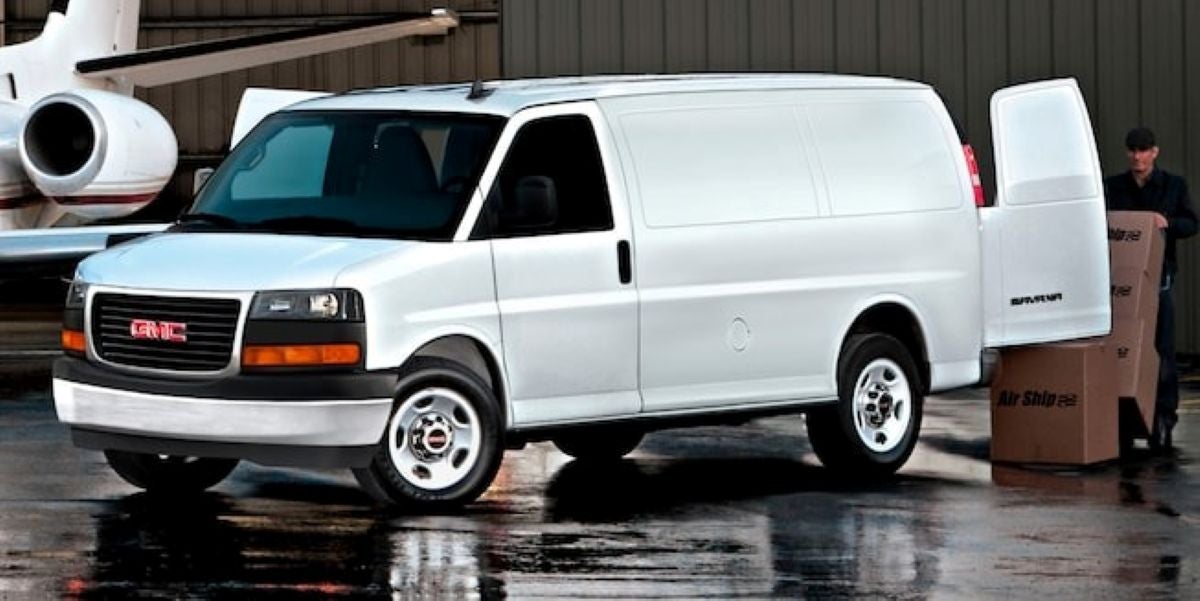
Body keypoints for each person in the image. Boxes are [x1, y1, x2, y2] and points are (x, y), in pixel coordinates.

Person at [1104, 127, 1198, 452]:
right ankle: (1124, 419)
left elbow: (1191, 224)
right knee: (1120, 351)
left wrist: (1166, 222)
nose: (1137, 157)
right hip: (1122, 285)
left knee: (1163, 354)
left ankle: (1162, 420)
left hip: (1159, 282)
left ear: (1154, 152)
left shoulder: (1173, 186)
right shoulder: (1114, 187)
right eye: (1132, 150)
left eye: (1143, 150)